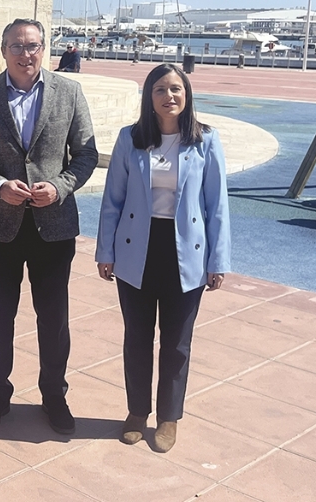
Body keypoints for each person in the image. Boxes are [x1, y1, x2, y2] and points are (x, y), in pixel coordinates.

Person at [0, 18, 98, 434]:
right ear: (3, 50)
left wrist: (58, 188)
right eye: (17, 46)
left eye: (34, 46)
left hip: (52, 227)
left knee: (53, 318)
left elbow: (86, 156)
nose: (26, 54)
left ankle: (54, 396)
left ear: (45, 49)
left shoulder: (70, 92)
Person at [95, 63, 230, 453]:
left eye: (176, 89)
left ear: (186, 95)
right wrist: (106, 250)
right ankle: (137, 412)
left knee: (176, 342)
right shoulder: (131, 138)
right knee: (136, 337)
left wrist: (217, 260)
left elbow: (217, 205)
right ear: (148, 98)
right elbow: (112, 201)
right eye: (160, 90)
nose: (168, 96)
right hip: (138, 247)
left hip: (185, 249)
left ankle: (169, 417)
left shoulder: (205, 140)